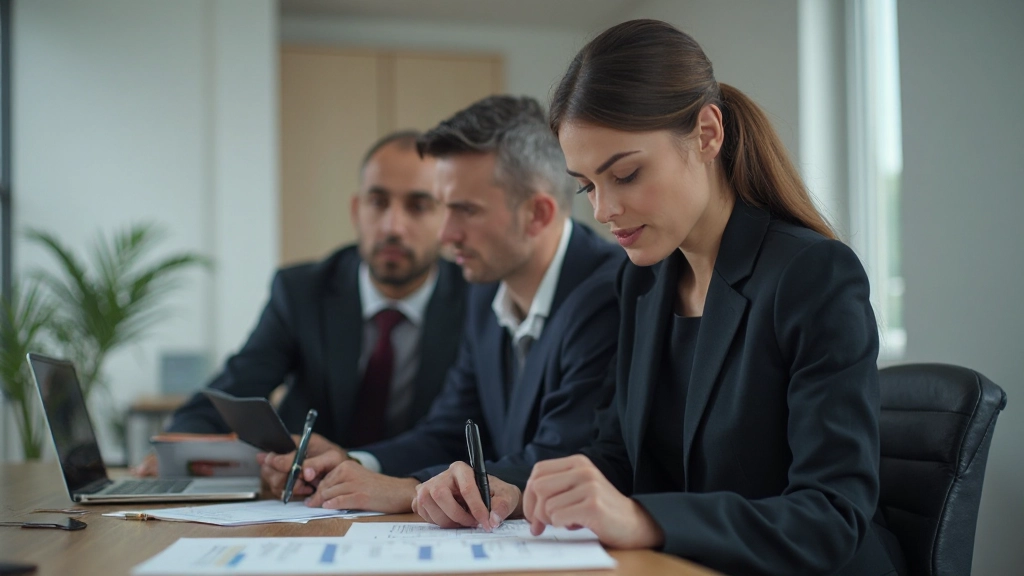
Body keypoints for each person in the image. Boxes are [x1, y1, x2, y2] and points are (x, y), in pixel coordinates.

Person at [411, 20, 906, 576]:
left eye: (625, 174)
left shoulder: (813, 275)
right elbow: (617, 456)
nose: (603, 210)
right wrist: (509, 490)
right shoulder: (643, 282)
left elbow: (832, 516)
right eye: (587, 185)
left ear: (707, 134)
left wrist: (645, 519)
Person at [260, 95, 624, 514]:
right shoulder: (485, 291)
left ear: (537, 215)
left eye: (464, 211)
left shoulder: (606, 293)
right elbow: (450, 428)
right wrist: (354, 464)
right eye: (444, 208)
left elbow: (561, 457)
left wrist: (408, 489)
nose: (445, 235)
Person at [134, 131, 468, 476]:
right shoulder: (302, 292)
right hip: (305, 497)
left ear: (447, 219)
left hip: (416, 497)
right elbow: (232, 392)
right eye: (378, 202)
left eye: (418, 206)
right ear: (356, 209)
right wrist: (178, 449)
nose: (392, 226)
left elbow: (466, 434)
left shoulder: (477, 303)